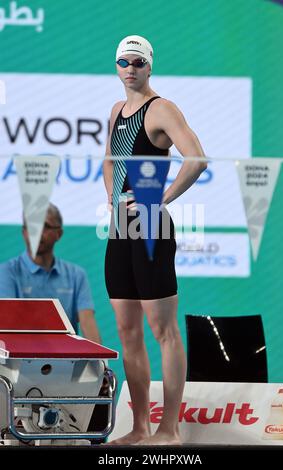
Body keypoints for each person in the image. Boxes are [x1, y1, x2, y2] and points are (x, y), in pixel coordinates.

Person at [103, 35, 207, 445]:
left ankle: (170, 427)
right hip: (120, 231)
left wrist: (158, 197)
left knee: (162, 330)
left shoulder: (161, 108)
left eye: (138, 62)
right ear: (116, 67)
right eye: (123, 62)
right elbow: (111, 160)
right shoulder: (116, 110)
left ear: (149, 66)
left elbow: (196, 158)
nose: (130, 68)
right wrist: (111, 195)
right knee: (127, 331)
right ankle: (141, 426)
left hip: (151, 228)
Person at [0, 203, 101, 343]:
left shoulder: (76, 275)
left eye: (44, 226)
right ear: (24, 232)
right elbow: (7, 328)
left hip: (66, 358)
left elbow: (88, 324)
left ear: (59, 234)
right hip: (21, 358)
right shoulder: (6, 272)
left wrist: (99, 362)